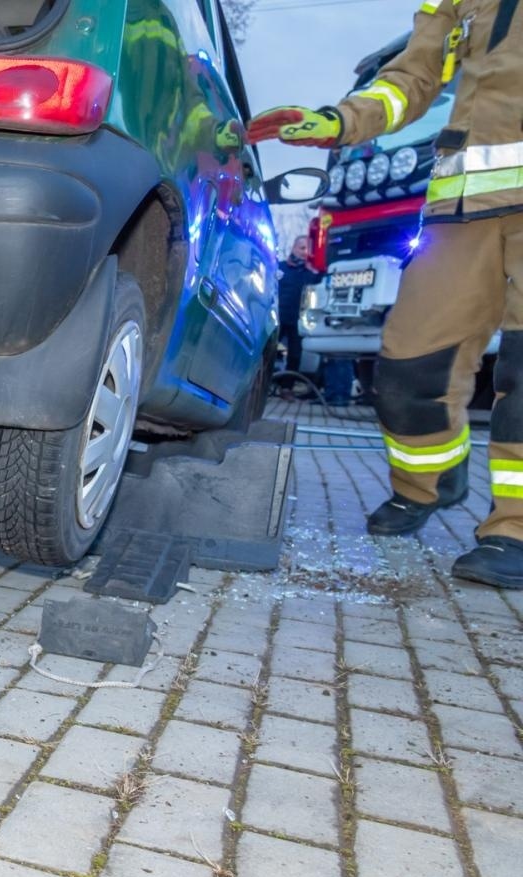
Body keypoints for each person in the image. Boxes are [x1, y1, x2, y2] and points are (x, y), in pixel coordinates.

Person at [248, 0, 523, 588]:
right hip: (461, 210)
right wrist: (340, 120)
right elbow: (411, 81)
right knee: (407, 366)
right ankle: (431, 482)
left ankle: (514, 529)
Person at [277, 236, 321, 385]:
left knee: (295, 355)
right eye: (302, 248)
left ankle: (287, 388)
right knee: (269, 352)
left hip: (299, 320)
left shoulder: (312, 273)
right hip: (278, 317)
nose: (305, 252)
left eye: (308, 249)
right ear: (294, 248)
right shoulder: (280, 268)